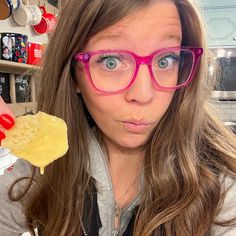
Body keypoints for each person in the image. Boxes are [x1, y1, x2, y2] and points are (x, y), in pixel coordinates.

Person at [0, 0, 236, 235]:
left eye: (165, 60)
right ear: (72, 74)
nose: (143, 94)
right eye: (111, 61)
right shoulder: (43, 164)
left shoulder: (219, 181)